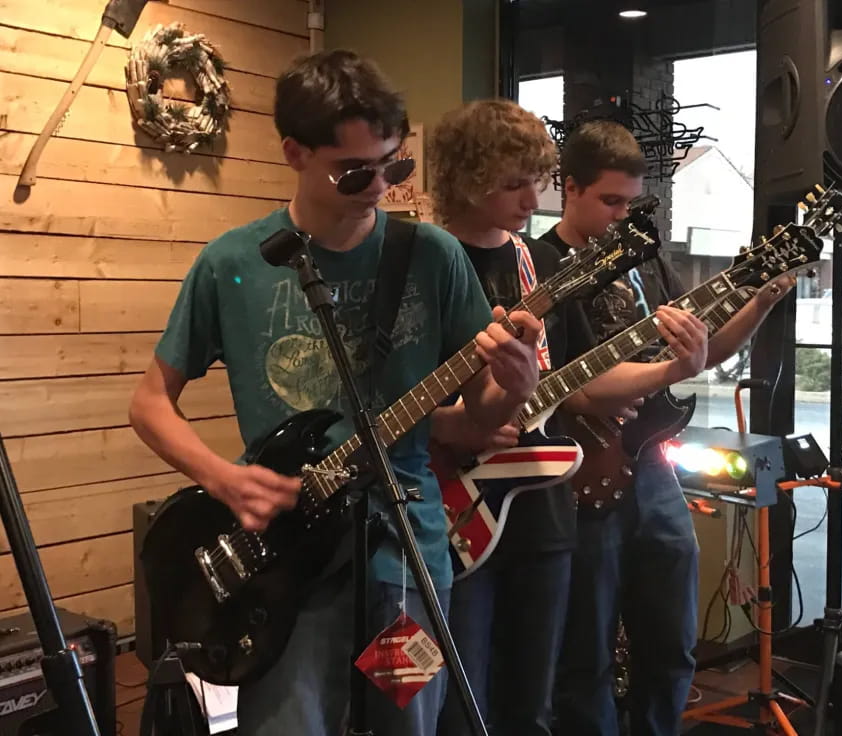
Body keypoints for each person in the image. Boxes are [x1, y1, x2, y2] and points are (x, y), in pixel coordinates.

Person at [128, 50, 547, 736]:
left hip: (406, 560)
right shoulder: (234, 263)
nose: (380, 184)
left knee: (406, 727)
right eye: (357, 170)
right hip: (287, 565)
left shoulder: (433, 256)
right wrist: (226, 481)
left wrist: (511, 388)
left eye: (396, 165)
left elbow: (475, 424)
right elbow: (149, 403)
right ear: (294, 152)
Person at [427, 100, 712, 736]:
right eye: (514, 183)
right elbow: (390, 398)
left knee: (534, 700)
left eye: (540, 180)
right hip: (455, 502)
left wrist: (671, 369)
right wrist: (450, 425)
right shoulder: (427, 262)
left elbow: (564, 385)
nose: (534, 199)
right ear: (468, 180)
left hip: (541, 499)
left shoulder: (538, 265)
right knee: (464, 700)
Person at [541, 119, 797, 736]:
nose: (622, 215)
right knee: (586, 654)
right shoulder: (540, 267)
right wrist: (661, 374)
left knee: (672, 641)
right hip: (581, 473)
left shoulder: (645, 260)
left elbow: (699, 354)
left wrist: (758, 303)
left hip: (652, 465)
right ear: (568, 187)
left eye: (631, 201)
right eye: (609, 200)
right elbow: (559, 389)